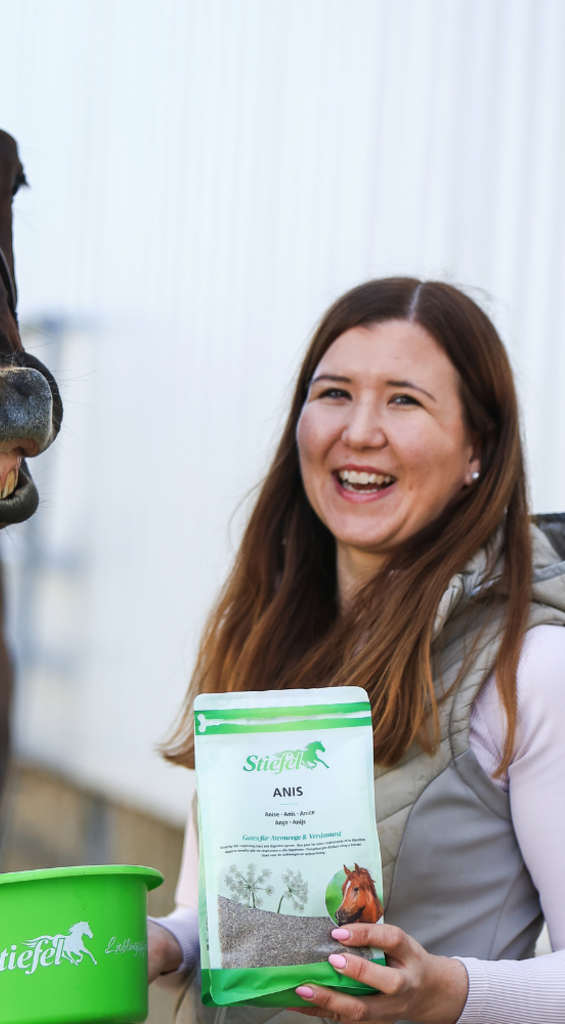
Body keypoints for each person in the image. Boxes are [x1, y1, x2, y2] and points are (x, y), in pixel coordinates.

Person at [145, 279, 565, 1024]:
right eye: (334, 393)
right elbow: (222, 923)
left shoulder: (529, 668)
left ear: (478, 447)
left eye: (405, 400)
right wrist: (165, 943)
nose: (361, 432)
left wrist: (442, 993)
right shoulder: (264, 632)